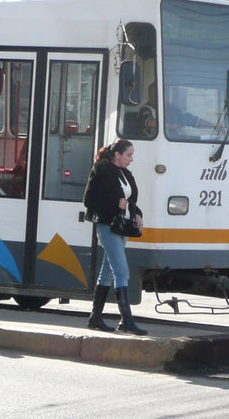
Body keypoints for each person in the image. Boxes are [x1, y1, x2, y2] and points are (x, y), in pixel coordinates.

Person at [82, 138, 147, 335]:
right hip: (107, 225)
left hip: (123, 227)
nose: (132, 159)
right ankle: (126, 321)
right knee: (122, 271)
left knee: (108, 273)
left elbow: (129, 199)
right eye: (129, 155)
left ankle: (95, 317)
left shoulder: (124, 173)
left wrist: (137, 213)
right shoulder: (102, 170)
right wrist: (114, 204)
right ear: (117, 155)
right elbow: (88, 200)